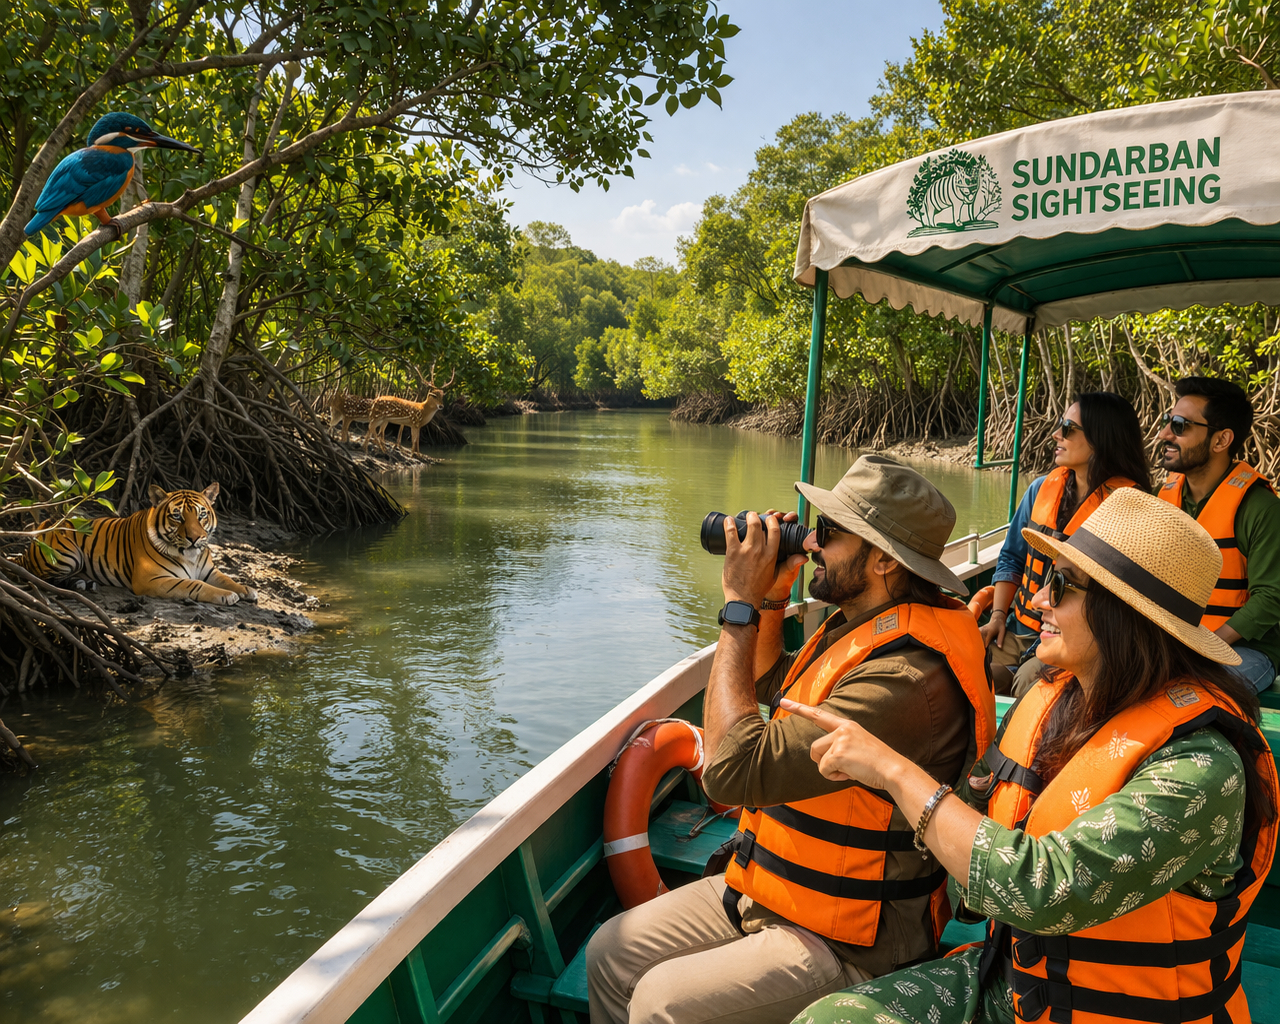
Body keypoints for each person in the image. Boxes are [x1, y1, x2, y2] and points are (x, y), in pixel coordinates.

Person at [788, 488, 1278, 1024]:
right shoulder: (1052, 705)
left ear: (1127, 615)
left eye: (1062, 585)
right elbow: (972, 886)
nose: (1039, 598)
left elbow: (1042, 890)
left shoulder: (1203, 768)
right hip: (1016, 986)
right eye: (1046, 577)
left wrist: (893, 770)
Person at [585, 455, 997, 1024]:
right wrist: (775, 600)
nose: (812, 544)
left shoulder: (905, 679)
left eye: (828, 532)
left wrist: (739, 606)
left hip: (853, 937)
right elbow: (774, 688)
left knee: (662, 1002)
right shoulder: (861, 620)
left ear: (881, 560)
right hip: (777, 888)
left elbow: (730, 771)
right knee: (610, 953)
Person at [981, 391, 1149, 696]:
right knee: (968, 667)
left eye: (1068, 429)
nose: (1056, 434)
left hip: (1078, 640)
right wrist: (997, 617)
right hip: (1020, 627)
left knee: (1030, 683)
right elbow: (1011, 559)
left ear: (1101, 438)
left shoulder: (1129, 508)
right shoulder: (1039, 490)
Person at [1157, 375, 1280, 692]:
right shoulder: (1165, 498)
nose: (1164, 434)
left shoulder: (1261, 508)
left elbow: (1270, 599)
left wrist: (1202, 647)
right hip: (1173, 640)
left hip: (1242, 650)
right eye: (1168, 422)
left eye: (1180, 426)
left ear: (1221, 440)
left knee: (1190, 696)